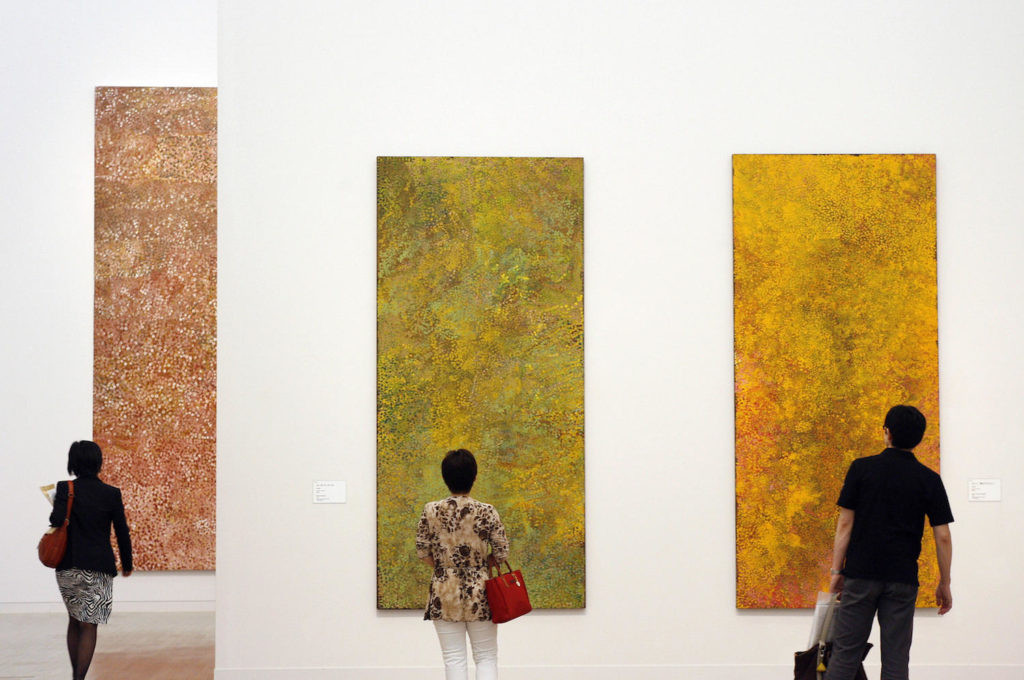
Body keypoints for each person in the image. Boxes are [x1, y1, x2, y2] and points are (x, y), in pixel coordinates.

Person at [824, 405, 954, 680]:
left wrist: (837, 571)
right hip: (902, 578)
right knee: (896, 658)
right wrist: (945, 582)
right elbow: (942, 535)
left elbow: (846, 523)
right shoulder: (929, 479)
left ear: (887, 432)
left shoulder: (861, 469)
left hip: (860, 574)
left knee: (846, 653)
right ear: (919, 438)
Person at [416, 449, 509, 680]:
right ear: (474, 477)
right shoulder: (487, 511)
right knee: (486, 657)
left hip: (444, 592)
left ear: (444, 477)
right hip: (481, 592)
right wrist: (481, 563)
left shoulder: (431, 510)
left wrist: (444, 567)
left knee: (453, 658)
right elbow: (502, 551)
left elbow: (422, 551)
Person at [49, 440, 133, 680]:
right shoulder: (111, 493)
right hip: (98, 567)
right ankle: (78, 678)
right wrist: (127, 563)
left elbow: (55, 521)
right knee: (90, 624)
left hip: (68, 565)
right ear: (98, 463)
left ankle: (76, 675)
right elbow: (121, 530)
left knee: (75, 620)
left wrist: (58, 504)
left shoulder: (65, 489)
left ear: (73, 462)